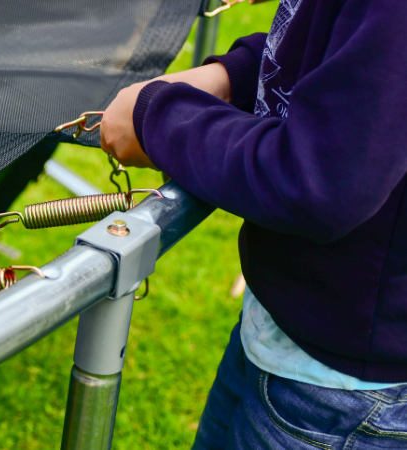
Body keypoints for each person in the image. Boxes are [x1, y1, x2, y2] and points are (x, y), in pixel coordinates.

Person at [99, 0, 407, 448]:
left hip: (340, 392)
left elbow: (321, 179)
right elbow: (340, 54)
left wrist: (157, 118)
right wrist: (234, 76)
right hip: (289, 326)